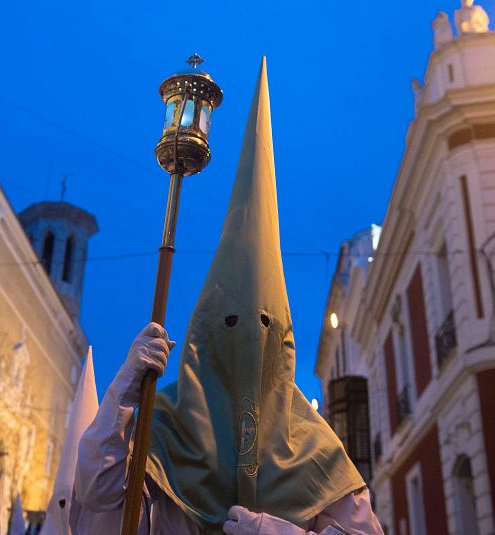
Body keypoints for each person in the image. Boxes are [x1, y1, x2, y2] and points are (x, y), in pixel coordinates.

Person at [71, 57, 383, 535]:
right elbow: (97, 491)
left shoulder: (316, 448)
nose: (246, 343)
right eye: (229, 324)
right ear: (202, 334)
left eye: (263, 326)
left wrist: (278, 533)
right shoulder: (165, 423)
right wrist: (126, 389)